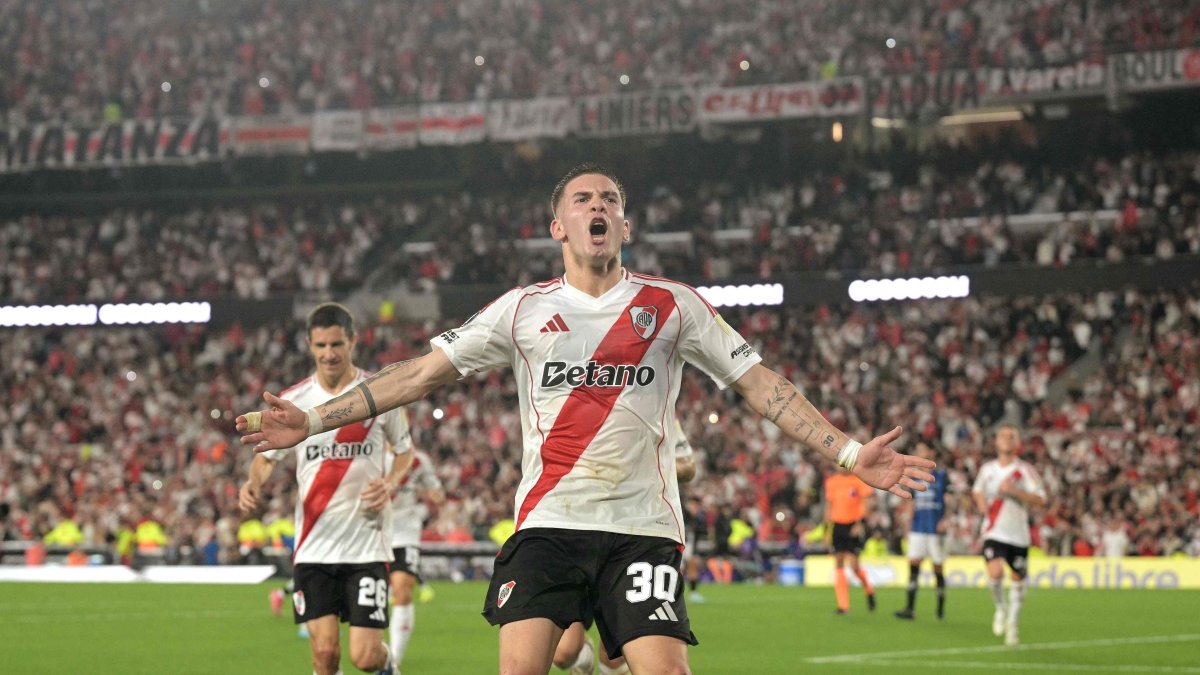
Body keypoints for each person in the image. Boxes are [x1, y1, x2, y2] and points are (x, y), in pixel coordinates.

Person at [238, 163, 936, 674]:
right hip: (547, 524)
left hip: (641, 529)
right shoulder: (521, 309)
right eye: (583, 198)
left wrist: (846, 452)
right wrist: (315, 420)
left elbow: (760, 385)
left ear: (625, 225)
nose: (597, 205)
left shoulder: (673, 305)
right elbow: (418, 374)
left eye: (610, 199)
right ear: (559, 225)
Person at [239, 302, 411, 675]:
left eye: (336, 344)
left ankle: (388, 666)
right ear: (309, 345)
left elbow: (405, 452)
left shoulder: (380, 393)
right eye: (321, 346)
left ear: (352, 341)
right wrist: (252, 483)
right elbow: (265, 457)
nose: (329, 354)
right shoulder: (295, 402)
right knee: (325, 656)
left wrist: (390, 482)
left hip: (366, 542)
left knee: (365, 657)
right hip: (314, 546)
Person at [551, 414, 701, 675]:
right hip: (575, 530)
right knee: (564, 653)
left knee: (617, 656)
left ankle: (606, 647)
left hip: (633, 533)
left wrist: (638, 463)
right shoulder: (572, 401)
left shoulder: (657, 412)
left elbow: (688, 466)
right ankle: (585, 656)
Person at [972, 424, 1047, 647]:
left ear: (1017, 443)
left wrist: (1015, 491)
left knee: (1017, 579)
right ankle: (1000, 608)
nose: (1006, 439)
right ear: (996, 442)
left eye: (1011, 436)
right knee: (994, 572)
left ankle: (1012, 623)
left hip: (1018, 534)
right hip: (994, 530)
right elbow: (977, 490)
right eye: (1002, 436)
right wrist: (981, 503)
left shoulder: (1025, 471)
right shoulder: (987, 469)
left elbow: (1041, 499)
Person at [387, 448, 446, 670]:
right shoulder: (369, 453)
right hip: (372, 529)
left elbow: (437, 493)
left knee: (402, 590)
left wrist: (433, 494)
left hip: (404, 531)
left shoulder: (418, 460)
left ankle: (394, 661)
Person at [894, 441, 948, 620]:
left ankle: (940, 610)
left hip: (935, 529)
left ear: (931, 451)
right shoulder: (914, 477)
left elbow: (950, 500)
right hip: (917, 528)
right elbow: (911, 503)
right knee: (914, 565)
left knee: (937, 568)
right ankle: (910, 608)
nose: (919, 451)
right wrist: (907, 528)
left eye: (922, 448)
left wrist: (946, 520)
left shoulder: (941, 476)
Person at [823, 465, 876, 615]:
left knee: (854, 566)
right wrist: (826, 530)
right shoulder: (831, 482)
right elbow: (828, 506)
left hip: (854, 525)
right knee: (838, 563)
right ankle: (843, 606)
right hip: (838, 526)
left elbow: (867, 504)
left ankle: (869, 589)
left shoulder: (858, 480)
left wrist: (860, 524)